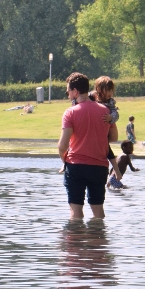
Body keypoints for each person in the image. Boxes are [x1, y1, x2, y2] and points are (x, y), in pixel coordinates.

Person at [58, 72, 118, 219]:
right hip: (99, 167)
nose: (68, 95)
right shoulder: (105, 111)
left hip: (76, 166)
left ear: (76, 91)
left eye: (68, 91)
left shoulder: (70, 113)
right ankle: (97, 239)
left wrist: (64, 160)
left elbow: (62, 145)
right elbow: (114, 138)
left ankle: (76, 241)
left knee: (76, 212)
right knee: (98, 213)